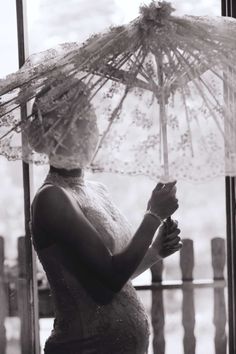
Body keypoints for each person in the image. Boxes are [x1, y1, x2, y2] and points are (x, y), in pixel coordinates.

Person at [29, 80, 181, 354]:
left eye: (90, 122)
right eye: (78, 124)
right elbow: (110, 278)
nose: (89, 132)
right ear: (53, 134)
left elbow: (110, 278)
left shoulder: (97, 190)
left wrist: (156, 251)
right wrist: (153, 216)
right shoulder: (52, 198)